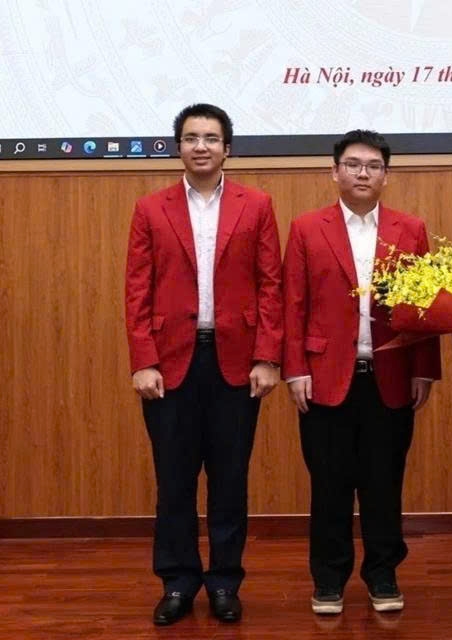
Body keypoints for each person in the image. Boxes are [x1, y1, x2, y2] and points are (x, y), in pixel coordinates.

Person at [124, 103, 283, 625]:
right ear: (178, 147)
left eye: (211, 138)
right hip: (169, 365)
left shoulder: (257, 205)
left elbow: (270, 286)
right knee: (173, 480)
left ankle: (224, 582)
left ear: (227, 148)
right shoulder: (151, 208)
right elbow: (137, 290)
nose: (201, 146)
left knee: (230, 480)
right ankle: (177, 582)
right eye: (191, 137)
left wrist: (267, 356)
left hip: (237, 362)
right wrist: (144, 360)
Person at [282, 129, 441, 616]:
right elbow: (294, 303)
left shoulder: (410, 229)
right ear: (335, 172)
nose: (363, 173)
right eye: (353, 164)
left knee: (383, 483)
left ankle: (382, 573)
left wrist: (425, 370)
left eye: (373, 166)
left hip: (390, 376)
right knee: (328, 484)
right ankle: (328, 580)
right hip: (325, 375)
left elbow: (426, 305)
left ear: (386, 175)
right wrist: (294, 370)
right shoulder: (308, 227)